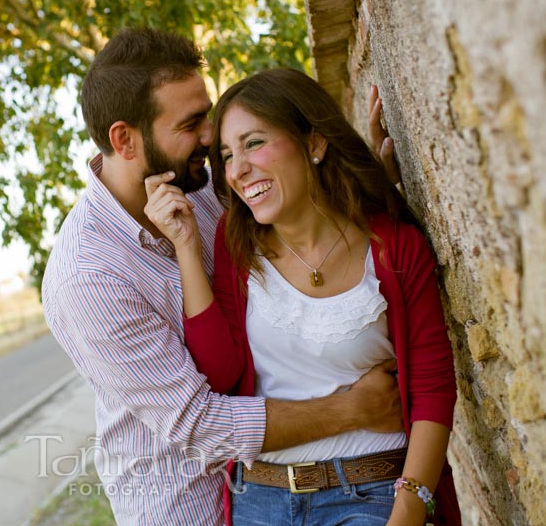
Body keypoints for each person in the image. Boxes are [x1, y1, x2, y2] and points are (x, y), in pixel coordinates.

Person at [42, 28, 404, 526]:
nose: (212, 137)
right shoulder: (88, 278)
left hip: (275, 487)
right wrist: (353, 409)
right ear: (124, 139)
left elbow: (304, 220)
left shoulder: (207, 187)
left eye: (207, 114)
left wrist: (368, 183)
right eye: (191, 124)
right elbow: (197, 424)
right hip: (188, 507)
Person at [144, 67, 461, 525]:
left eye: (254, 143)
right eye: (227, 155)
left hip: (374, 494)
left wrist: (409, 508)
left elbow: (433, 386)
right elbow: (219, 373)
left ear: (314, 143)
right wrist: (186, 247)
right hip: (263, 500)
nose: (238, 170)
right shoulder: (235, 249)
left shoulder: (393, 247)